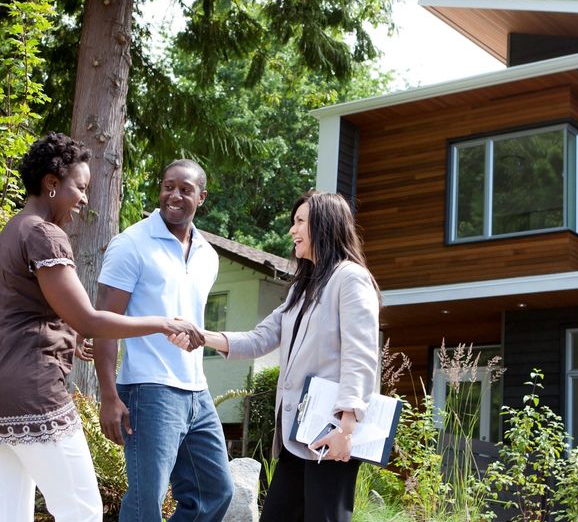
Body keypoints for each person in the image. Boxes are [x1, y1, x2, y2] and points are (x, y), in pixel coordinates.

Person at [0, 132, 204, 522]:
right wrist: (163, 322)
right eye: (80, 187)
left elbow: (27, 310)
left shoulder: (12, 230)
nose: (84, 198)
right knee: (84, 511)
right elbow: (89, 319)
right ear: (51, 183)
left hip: (4, 394)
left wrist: (67, 330)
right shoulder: (45, 234)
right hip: (35, 392)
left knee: (10, 512)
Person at [195, 191, 380, 522]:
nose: (292, 231)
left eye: (299, 222)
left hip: (331, 434)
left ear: (324, 225)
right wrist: (203, 337)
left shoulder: (350, 279)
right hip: (298, 434)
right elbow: (261, 337)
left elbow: (361, 354)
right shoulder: (302, 289)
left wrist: (346, 428)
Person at [93, 159, 234, 522]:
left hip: (196, 390)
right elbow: (104, 323)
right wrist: (108, 396)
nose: (174, 195)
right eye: (168, 186)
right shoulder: (132, 244)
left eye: (185, 189)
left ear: (201, 197)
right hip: (147, 389)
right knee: (146, 502)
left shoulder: (209, 255)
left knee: (215, 491)